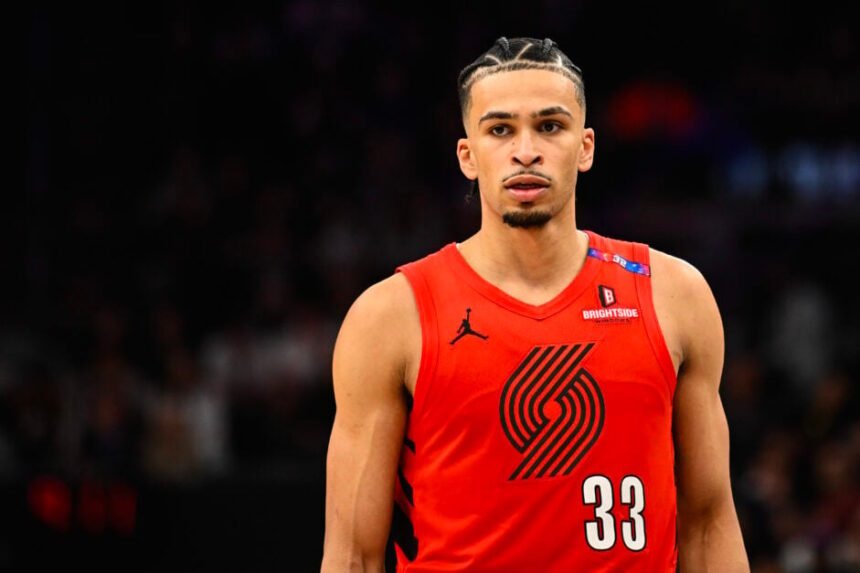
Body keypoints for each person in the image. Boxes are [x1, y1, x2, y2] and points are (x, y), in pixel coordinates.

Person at [321, 36, 749, 572]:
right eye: (500, 129)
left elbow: (710, 521)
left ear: (586, 146)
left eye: (550, 126)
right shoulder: (390, 317)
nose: (526, 150)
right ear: (468, 155)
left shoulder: (673, 294)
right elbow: (352, 556)